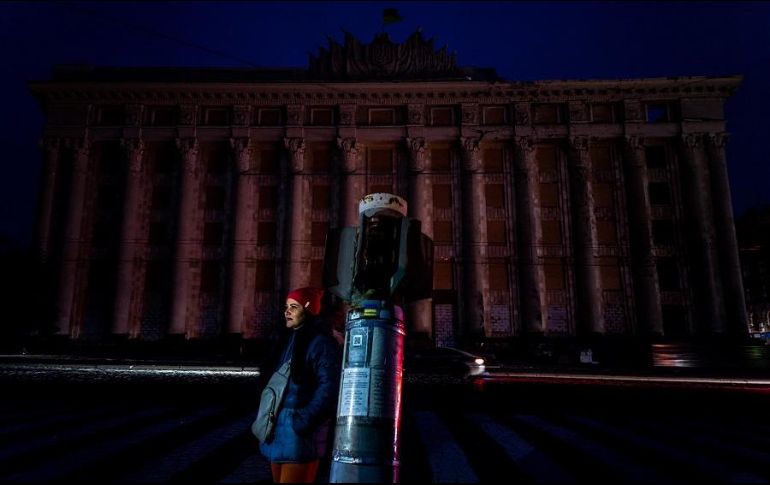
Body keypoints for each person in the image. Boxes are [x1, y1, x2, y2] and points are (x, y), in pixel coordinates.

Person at [259, 286, 342, 483]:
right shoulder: (289, 339)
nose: (287, 311)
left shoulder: (321, 344)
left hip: (299, 434)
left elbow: (329, 389)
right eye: (287, 307)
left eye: (294, 307)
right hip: (279, 430)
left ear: (308, 309)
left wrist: (304, 421)